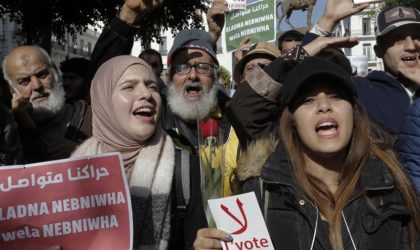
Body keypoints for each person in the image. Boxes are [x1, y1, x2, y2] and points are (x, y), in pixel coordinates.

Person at [194, 57, 420, 250]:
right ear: (291, 121)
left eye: (335, 96)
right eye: (308, 100)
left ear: (354, 112)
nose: (324, 106)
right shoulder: (261, 193)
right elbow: (242, 106)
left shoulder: (391, 183)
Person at [72, 55, 175, 249]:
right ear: (103, 101)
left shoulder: (183, 166)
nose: (147, 94)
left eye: (153, 86)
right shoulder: (69, 175)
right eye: (129, 87)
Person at [306, 0, 420, 134]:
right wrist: (326, 22)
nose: (411, 46)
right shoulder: (363, 92)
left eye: (417, 37)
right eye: (397, 39)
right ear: (378, 50)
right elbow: (305, 72)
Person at [2, 45, 92, 163]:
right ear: (12, 89)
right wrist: (24, 129)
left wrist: (85, 152)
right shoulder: (8, 133)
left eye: (42, 75)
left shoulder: (93, 116)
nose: (36, 86)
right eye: (24, 81)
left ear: (55, 72)